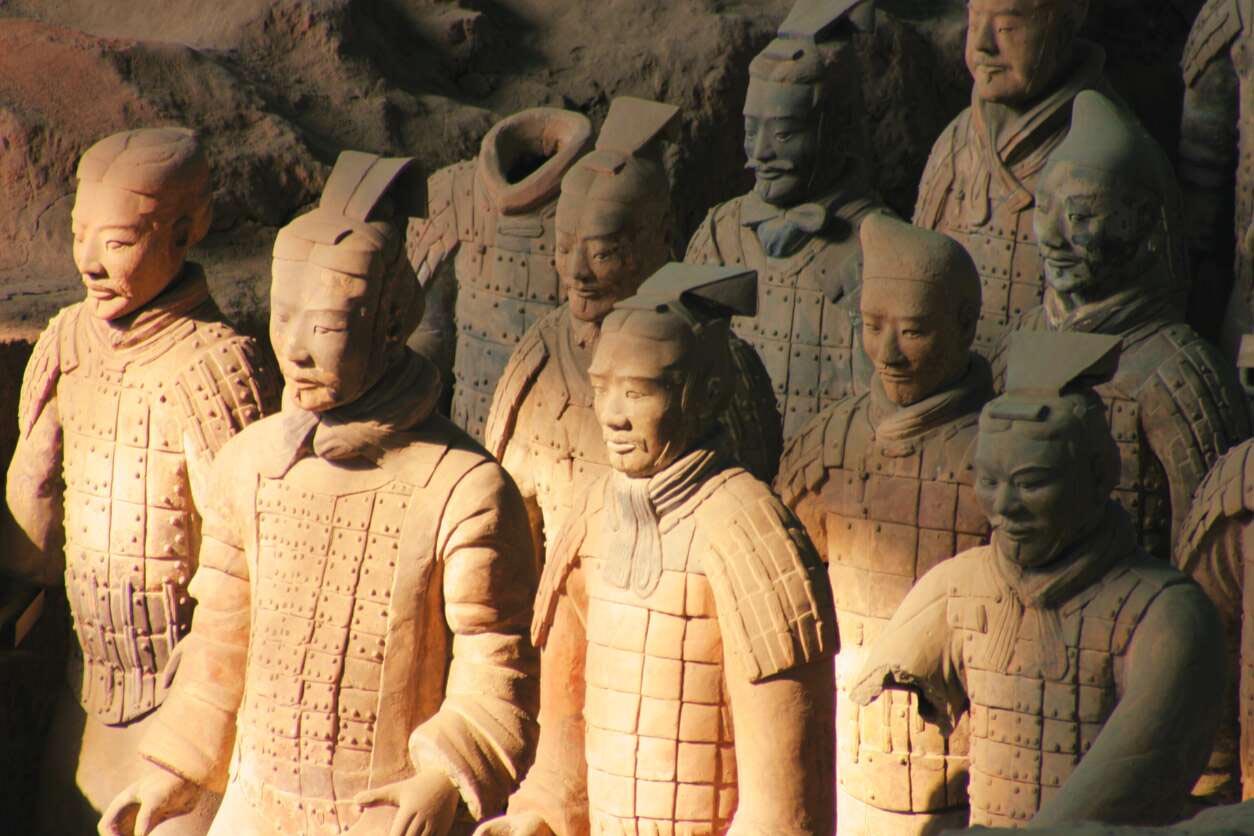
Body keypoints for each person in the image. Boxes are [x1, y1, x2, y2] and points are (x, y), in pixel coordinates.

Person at [98, 152, 538, 836]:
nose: (296, 349)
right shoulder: (250, 465)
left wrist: (442, 776)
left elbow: (495, 659)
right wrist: (174, 769)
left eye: (327, 326)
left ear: (390, 322)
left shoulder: (462, 488)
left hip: (385, 813)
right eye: (284, 318)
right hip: (256, 804)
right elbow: (220, 640)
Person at [477, 263, 837, 836]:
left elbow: (783, 813)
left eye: (638, 392)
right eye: (602, 388)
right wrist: (537, 818)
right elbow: (566, 749)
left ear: (707, 394)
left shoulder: (752, 534)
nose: (612, 416)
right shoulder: (591, 518)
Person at [3, 127, 277, 835]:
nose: (89, 262)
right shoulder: (66, 341)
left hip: (182, 705)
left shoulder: (216, 366)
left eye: (118, 243)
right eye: (79, 236)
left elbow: (250, 562)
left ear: (185, 232)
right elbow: (32, 533)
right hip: (84, 685)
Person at [852, 330, 1225, 828]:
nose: (1004, 507)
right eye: (989, 481)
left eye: (1031, 483)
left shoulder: (1166, 616)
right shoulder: (959, 587)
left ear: (1099, 476)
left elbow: (1120, 796)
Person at [485, 96, 781, 569]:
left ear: (661, 235)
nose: (577, 272)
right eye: (564, 248)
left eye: (603, 252)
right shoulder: (538, 358)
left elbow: (749, 527)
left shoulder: (715, 358)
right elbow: (506, 526)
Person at [778, 213, 993, 834]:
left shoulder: (1006, 458)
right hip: (845, 763)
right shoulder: (829, 444)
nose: (888, 353)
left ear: (965, 325)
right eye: (873, 327)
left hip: (971, 779)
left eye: (914, 330)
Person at [993, 90, 1249, 564]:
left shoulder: (1179, 375)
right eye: (1043, 208)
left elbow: (1210, 564)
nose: (1050, 237)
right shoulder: (1017, 341)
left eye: (1080, 216)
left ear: (1142, 221)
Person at [684, 0, 889, 438]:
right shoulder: (721, 233)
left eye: (783, 133)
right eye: (750, 131)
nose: (760, 153)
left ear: (836, 130)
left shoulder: (882, 245)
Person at [914, 0, 1119, 354]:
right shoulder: (955, 141)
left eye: (1006, 27)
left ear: (1063, 26)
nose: (982, 44)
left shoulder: (1111, 158)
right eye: (974, 20)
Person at [406, 107, 593, 438]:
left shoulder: (606, 202)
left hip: (564, 439)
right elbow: (427, 330)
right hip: (469, 438)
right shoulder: (454, 193)